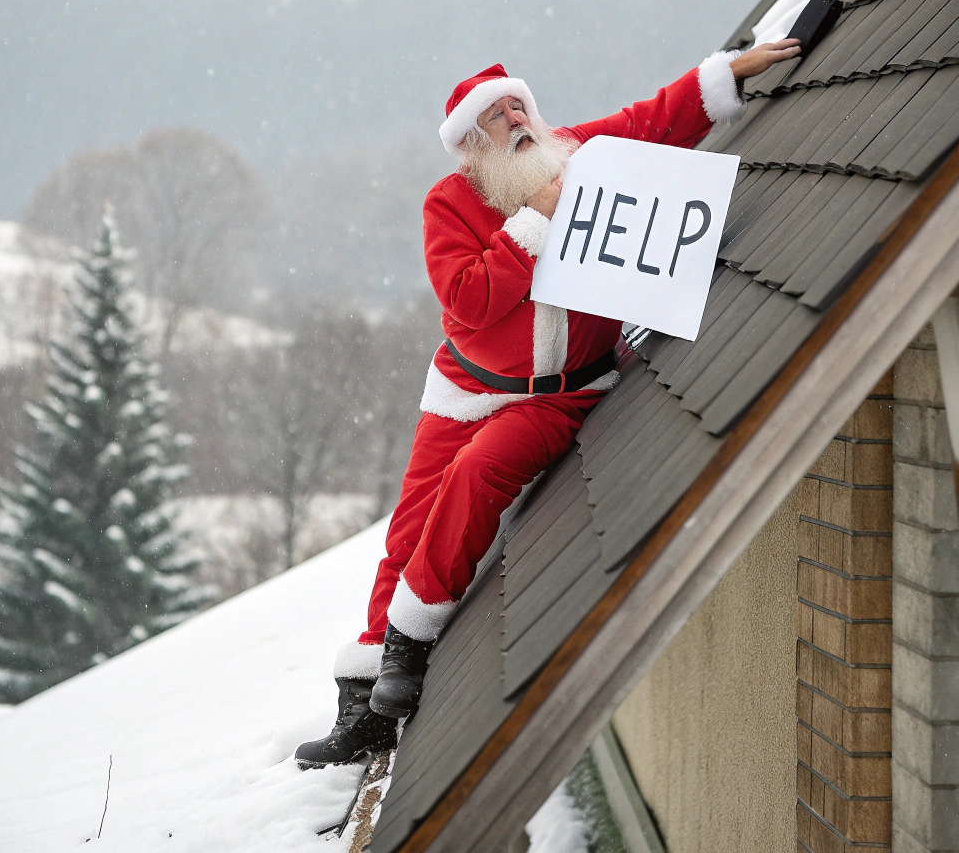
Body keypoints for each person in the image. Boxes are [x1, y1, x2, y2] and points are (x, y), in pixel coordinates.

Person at [295, 39, 800, 769]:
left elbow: (653, 122)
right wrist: (534, 223)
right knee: (406, 529)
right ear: (471, 145)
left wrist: (722, 78)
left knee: (479, 474)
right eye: (497, 116)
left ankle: (410, 645)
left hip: (556, 395)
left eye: (518, 105)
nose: (516, 119)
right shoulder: (450, 202)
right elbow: (468, 301)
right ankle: (363, 707)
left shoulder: (582, 157)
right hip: (465, 387)